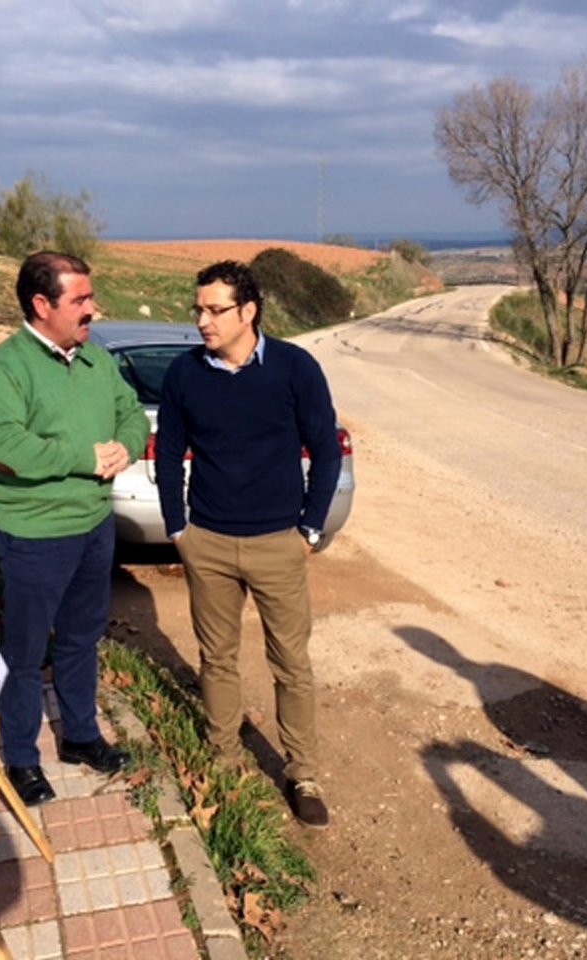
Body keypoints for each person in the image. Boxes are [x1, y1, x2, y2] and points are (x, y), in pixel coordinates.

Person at [155, 260, 343, 828]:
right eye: (199, 309)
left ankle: (302, 771)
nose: (202, 321)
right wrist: (177, 527)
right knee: (217, 658)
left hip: (277, 543)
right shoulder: (185, 374)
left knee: (291, 662)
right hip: (207, 541)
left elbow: (325, 449)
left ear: (248, 312)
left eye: (214, 310)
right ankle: (225, 756)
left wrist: (310, 528)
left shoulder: (295, 368)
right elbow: (168, 452)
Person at [0, 251, 149, 806]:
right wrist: (85, 455)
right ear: (41, 304)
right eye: (81, 300)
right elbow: (7, 447)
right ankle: (21, 757)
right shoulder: (1, 370)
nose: (93, 309)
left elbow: (132, 412)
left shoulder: (96, 359)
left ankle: (81, 737)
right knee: (25, 653)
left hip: (94, 526)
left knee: (80, 638)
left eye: (90, 298)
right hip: (35, 536)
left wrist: (127, 442)